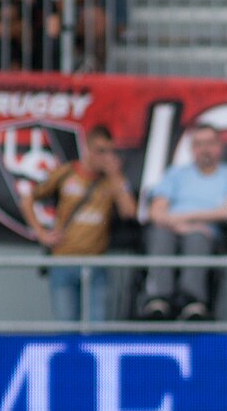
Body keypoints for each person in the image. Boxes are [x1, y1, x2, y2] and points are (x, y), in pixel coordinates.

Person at [18, 124, 138, 322]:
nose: (106, 157)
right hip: (63, 259)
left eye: (110, 151)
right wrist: (41, 233)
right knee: (66, 327)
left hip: (96, 261)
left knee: (97, 326)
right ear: (88, 149)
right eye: (101, 151)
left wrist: (116, 175)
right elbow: (27, 199)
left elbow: (129, 211)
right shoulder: (67, 173)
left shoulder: (112, 180)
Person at [141, 123, 227, 321]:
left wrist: (186, 221)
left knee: (196, 237)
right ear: (192, 149)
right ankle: (158, 300)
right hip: (173, 229)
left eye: (209, 143)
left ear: (220, 146)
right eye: (199, 144)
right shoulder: (176, 174)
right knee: (161, 235)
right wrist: (182, 225)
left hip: (208, 235)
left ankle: (192, 302)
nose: (205, 149)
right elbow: (155, 212)